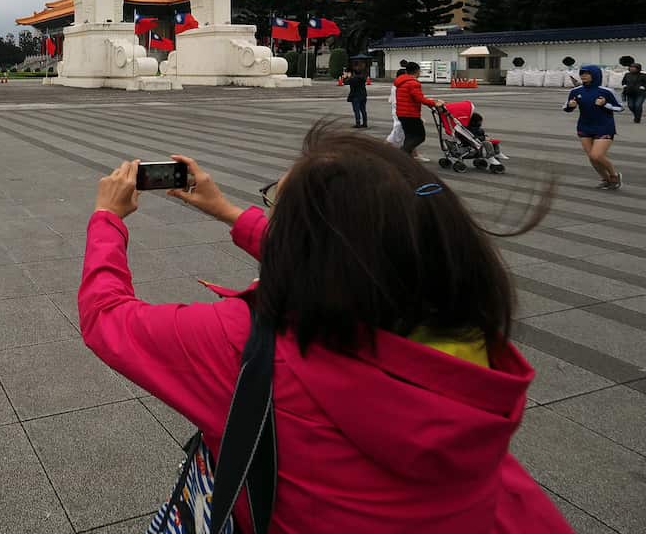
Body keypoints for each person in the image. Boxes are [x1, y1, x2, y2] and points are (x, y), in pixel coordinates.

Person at [79, 127, 569, 534]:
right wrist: (228, 211)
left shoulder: (249, 345)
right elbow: (351, 264)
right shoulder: (459, 329)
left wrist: (107, 220)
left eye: (278, 207)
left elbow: (106, 318)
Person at [564, 65, 624, 190]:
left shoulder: (606, 91)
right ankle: (606, 179)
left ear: (595, 75)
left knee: (597, 155)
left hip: (604, 126)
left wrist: (605, 104)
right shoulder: (575, 91)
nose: (583, 76)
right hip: (584, 127)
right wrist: (571, 105)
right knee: (592, 157)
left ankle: (614, 176)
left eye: (587, 73)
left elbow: (620, 107)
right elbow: (566, 108)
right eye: (582, 73)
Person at [394, 62, 443, 157]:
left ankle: (406, 157)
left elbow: (414, 97)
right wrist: (434, 103)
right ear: (417, 71)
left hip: (401, 113)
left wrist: (429, 101)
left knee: (409, 135)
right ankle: (402, 153)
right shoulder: (413, 83)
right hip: (411, 114)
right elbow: (419, 98)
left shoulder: (401, 82)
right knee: (420, 136)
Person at [385, 59, 407, 148]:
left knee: (407, 133)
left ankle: (413, 153)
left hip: (401, 111)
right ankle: (383, 148)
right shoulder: (397, 86)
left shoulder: (396, 85)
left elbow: (390, 100)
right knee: (397, 132)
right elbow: (394, 100)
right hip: (400, 112)